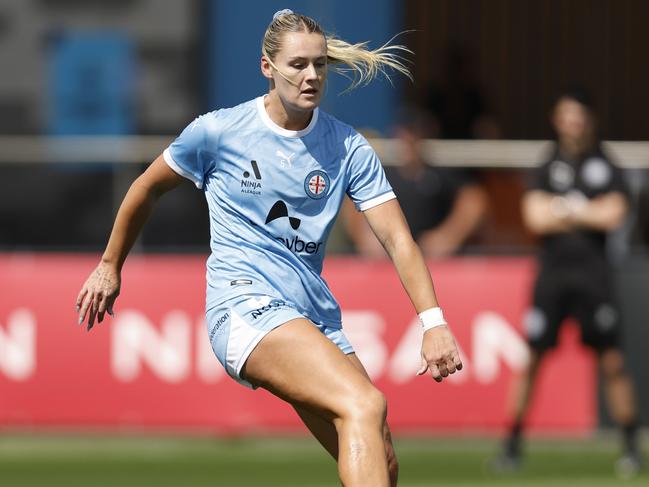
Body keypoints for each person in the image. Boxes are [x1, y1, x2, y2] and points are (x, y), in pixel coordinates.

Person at [75, 10, 463, 487]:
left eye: (320, 65)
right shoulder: (218, 132)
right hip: (243, 305)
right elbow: (146, 188)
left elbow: (398, 239)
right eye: (298, 64)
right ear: (267, 67)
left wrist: (433, 322)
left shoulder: (348, 147)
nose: (312, 76)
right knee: (364, 402)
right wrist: (110, 265)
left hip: (313, 315)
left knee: (378, 451)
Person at [497, 90, 643, 476]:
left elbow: (614, 214)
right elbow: (534, 217)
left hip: (595, 277)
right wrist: (582, 210)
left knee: (611, 361)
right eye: (566, 115)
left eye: (578, 115)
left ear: (589, 119)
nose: (572, 122)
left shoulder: (606, 165)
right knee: (532, 359)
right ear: (556, 119)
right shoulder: (546, 165)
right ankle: (511, 445)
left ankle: (630, 446)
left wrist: (562, 208)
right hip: (553, 276)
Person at [344, 106, 487, 258]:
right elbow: (353, 200)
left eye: (415, 133)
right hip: (385, 261)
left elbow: (474, 200)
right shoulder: (382, 171)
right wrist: (365, 237)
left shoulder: (439, 172)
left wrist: (448, 236)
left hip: (430, 261)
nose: (408, 139)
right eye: (405, 133)